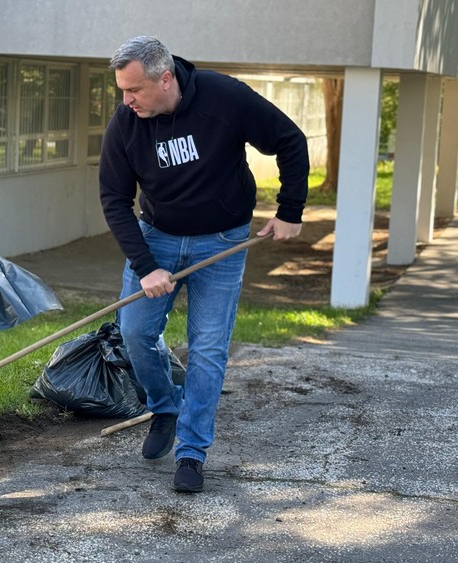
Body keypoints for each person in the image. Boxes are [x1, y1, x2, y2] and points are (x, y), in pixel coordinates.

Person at [99, 36, 309, 493]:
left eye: (134, 90)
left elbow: (289, 140)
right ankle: (165, 406)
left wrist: (290, 210)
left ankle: (192, 452)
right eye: (122, 90)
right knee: (135, 332)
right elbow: (114, 199)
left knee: (208, 347)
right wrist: (146, 264)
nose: (126, 100)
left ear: (166, 78)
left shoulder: (223, 97)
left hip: (221, 242)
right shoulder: (127, 124)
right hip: (157, 239)